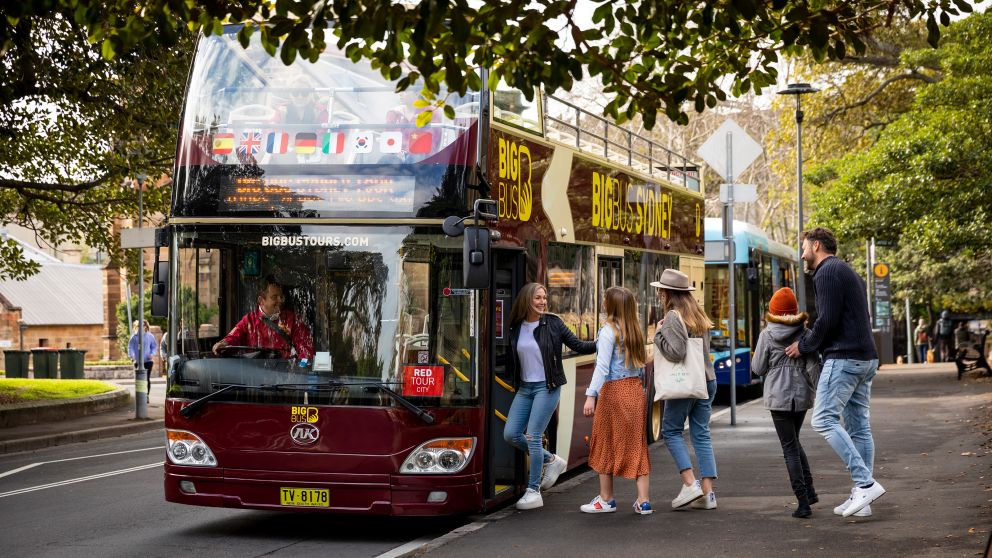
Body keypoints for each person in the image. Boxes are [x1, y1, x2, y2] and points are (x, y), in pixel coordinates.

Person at [784, 227, 883, 518]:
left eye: (804, 247)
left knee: (823, 419)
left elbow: (826, 319)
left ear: (816, 245)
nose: (802, 253)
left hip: (844, 358)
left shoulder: (825, 272)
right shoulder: (846, 271)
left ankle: (865, 483)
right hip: (865, 358)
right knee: (858, 427)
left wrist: (804, 345)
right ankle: (863, 498)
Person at [504, 282, 596, 510]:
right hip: (525, 388)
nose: (543, 302)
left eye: (544, 297)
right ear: (527, 299)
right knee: (511, 434)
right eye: (538, 298)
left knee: (533, 436)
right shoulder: (516, 326)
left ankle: (533, 491)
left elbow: (578, 345)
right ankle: (551, 459)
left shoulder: (553, 323)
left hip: (548, 386)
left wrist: (603, 340)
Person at [581, 286, 651, 515]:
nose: (602, 302)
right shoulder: (634, 331)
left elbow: (602, 367)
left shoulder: (608, 331)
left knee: (604, 441)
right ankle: (643, 501)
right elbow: (641, 366)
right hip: (634, 390)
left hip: (613, 390)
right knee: (636, 445)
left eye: (605, 299)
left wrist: (591, 395)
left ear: (612, 305)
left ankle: (606, 499)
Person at [653, 268, 719, 510]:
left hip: (684, 383)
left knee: (671, 431)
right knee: (701, 434)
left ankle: (689, 483)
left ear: (667, 292)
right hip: (707, 380)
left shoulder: (673, 316)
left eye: (661, 289)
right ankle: (708, 495)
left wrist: (658, 334)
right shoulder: (698, 314)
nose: (659, 293)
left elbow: (677, 352)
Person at [752, 287, 820, 518]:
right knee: (794, 441)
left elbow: (758, 368)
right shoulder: (805, 334)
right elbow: (813, 367)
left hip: (777, 398)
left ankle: (803, 503)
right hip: (801, 396)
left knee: (789, 447)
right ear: (794, 311)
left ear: (773, 311)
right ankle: (809, 491)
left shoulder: (766, 335)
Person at [213, 276, 314, 360]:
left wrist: (300, 370)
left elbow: (306, 350)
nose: (280, 301)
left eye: (281, 297)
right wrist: (222, 344)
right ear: (261, 300)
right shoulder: (248, 320)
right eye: (274, 297)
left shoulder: (293, 320)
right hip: (256, 378)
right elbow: (233, 338)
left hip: (284, 377)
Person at [128, 320, 157, 396]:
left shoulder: (150, 336)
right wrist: (132, 356)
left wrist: (152, 354)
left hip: (148, 361)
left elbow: (154, 347)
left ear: (146, 327)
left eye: (143, 326)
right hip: (137, 362)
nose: (141, 327)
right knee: (139, 380)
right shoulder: (134, 337)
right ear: (137, 327)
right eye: (139, 326)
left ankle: (146, 395)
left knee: (146, 378)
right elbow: (130, 347)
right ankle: (140, 396)